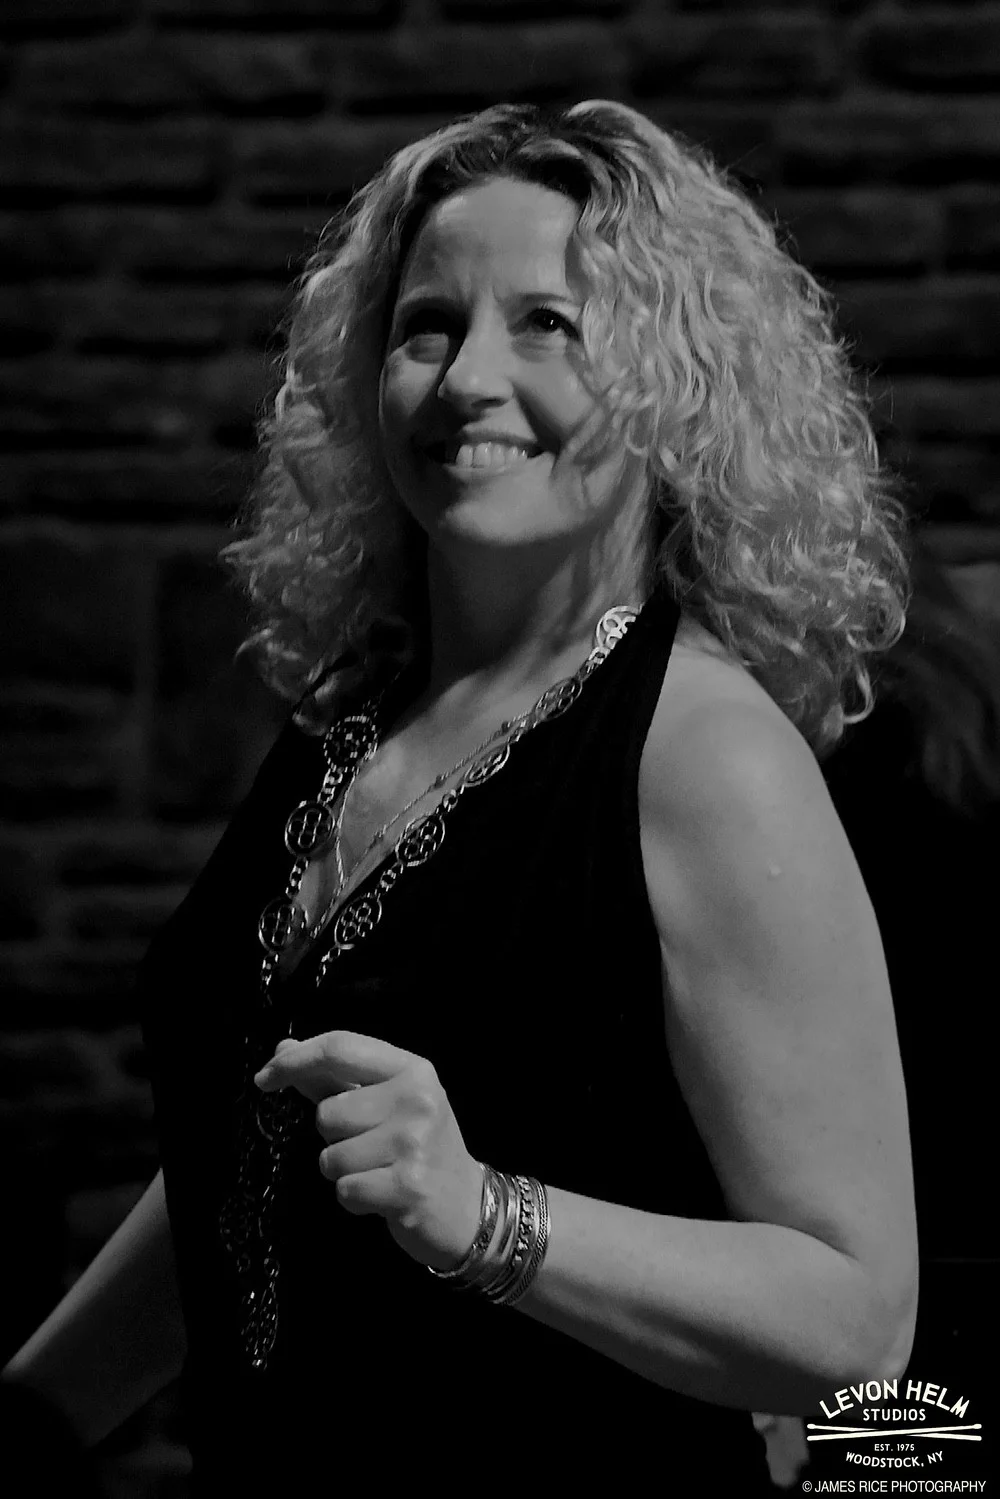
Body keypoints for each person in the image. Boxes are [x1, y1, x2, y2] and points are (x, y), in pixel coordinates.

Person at [4, 100, 918, 1494]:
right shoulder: (355, 715)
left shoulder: (705, 754)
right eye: (428, 327)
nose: (468, 379)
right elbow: (246, 1161)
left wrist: (486, 1214)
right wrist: (28, 1419)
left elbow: (856, 1322)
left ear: (674, 382)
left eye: (550, 323)